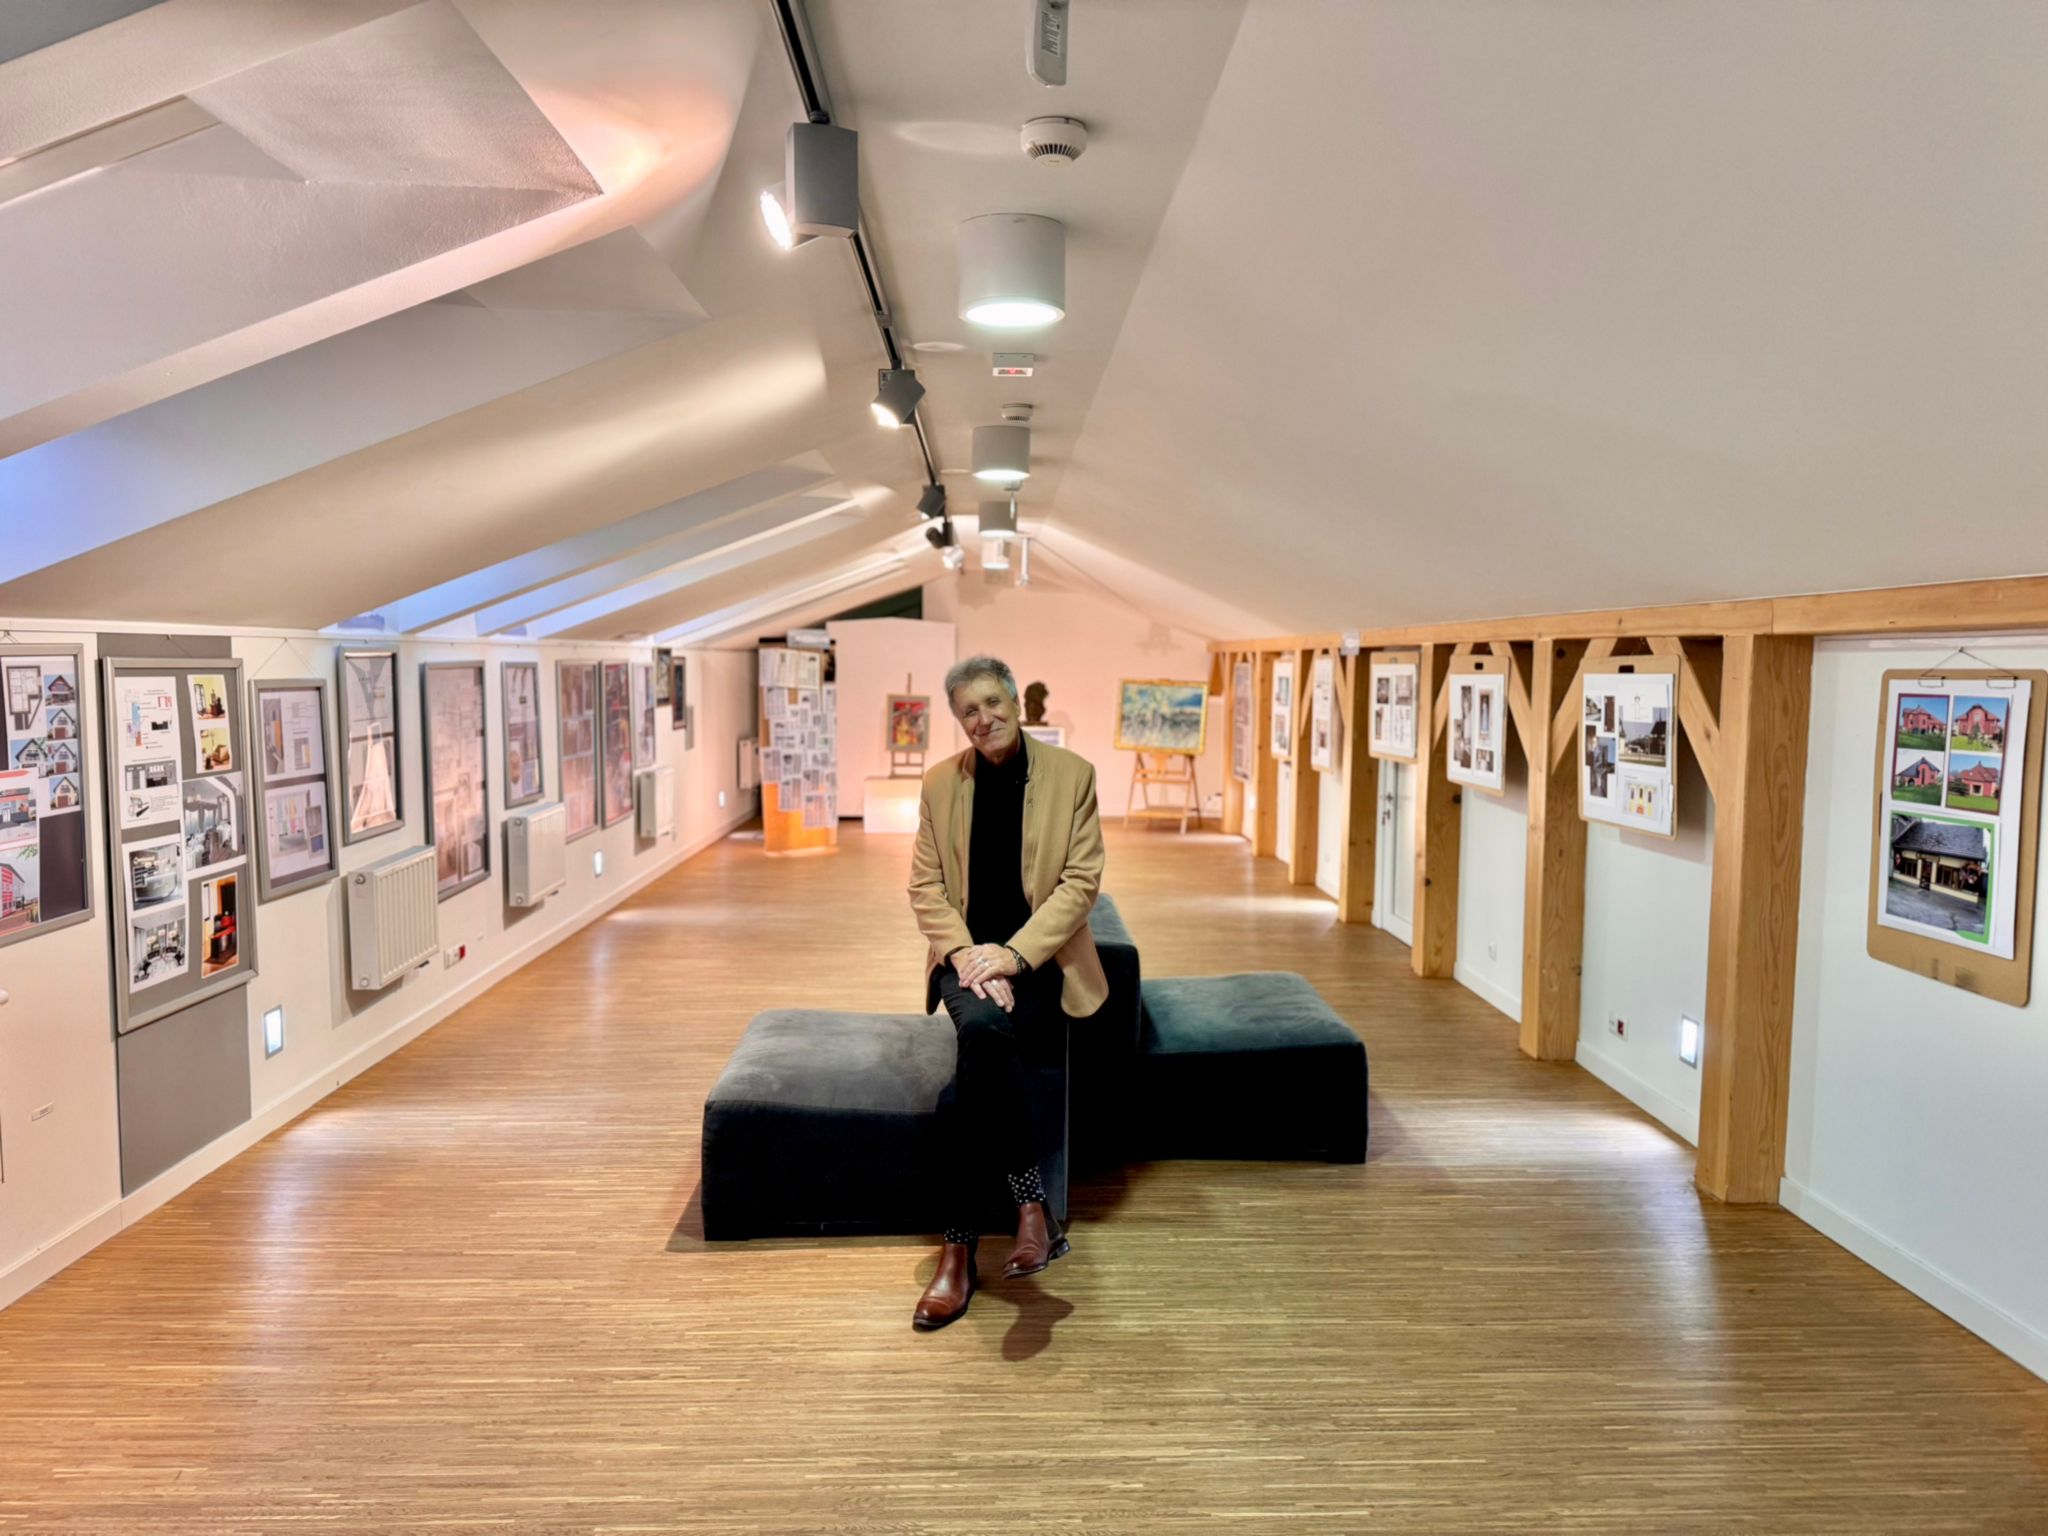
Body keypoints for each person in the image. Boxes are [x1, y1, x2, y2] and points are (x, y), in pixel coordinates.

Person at [906, 655, 1107, 1330]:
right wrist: (970, 956)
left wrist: (1014, 956)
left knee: (980, 1063)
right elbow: (925, 887)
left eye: (993, 703)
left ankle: (958, 1254)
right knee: (987, 1032)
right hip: (965, 960)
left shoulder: (1073, 776)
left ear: (1016, 703)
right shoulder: (940, 784)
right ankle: (1028, 1208)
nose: (983, 718)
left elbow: (1080, 884)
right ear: (958, 720)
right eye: (969, 710)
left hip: (1039, 961)